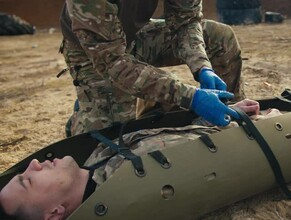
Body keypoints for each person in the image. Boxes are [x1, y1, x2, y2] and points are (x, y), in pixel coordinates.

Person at [0, 99, 282, 220]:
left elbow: (170, 135)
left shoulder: (97, 155)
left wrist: (222, 113)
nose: (34, 164)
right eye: (28, 180)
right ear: (54, 214)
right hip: (268, 127)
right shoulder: (133, 191)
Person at [59, 0, 244, 136]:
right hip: (93, 52)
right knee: (114, 138)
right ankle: (85, 114)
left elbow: (186, 21)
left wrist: (202, 66)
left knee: (221, 38)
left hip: (135, 35)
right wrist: (191, 97)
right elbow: (114, 64)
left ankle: (234, 115)